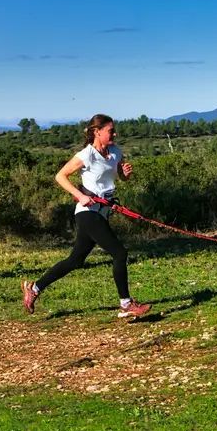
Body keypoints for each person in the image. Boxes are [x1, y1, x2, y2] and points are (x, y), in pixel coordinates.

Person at [21, 113, 151, 318]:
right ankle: (126, 304)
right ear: (97, 132)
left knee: (75, 260)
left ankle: (35, 289)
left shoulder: (116, 151)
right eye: (110, 130)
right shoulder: (86, 154)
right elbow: (60, 176)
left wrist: (125, 175)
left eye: (114, 130)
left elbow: (118, 177)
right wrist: (80, 195)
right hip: (87, 213)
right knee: (119, 253)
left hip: (104, 211)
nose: (114, 133)